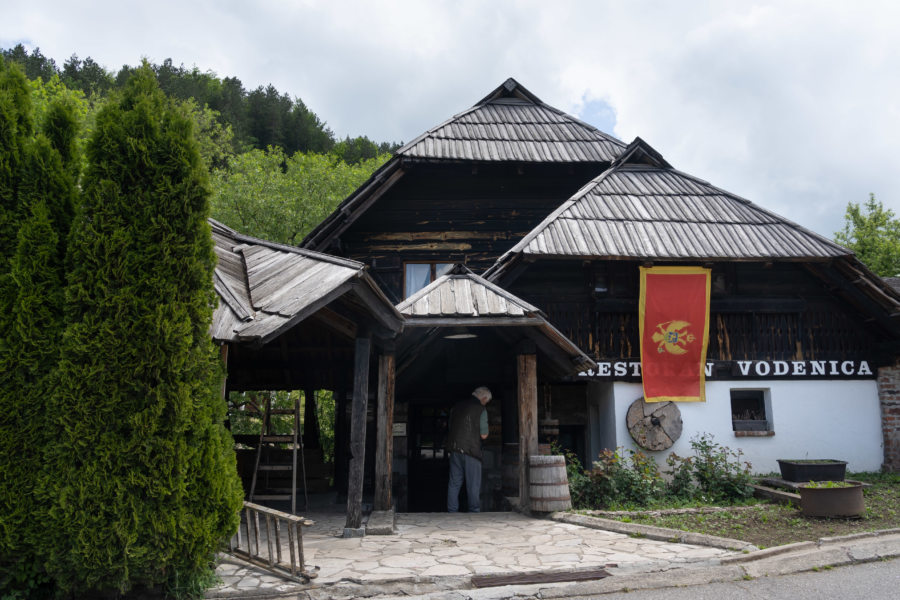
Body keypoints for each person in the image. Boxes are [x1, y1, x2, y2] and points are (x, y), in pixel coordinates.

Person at [446, 386, 491, 512]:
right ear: (483, 398)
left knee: (454, 483)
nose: (486, 404)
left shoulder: (456, 407)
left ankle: (452, 511)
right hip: (472, 451)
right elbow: (484, 435)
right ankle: (474, 511)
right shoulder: (481, 409)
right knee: (473, 484)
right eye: (486, 402)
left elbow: (450, 427)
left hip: (455, 449)